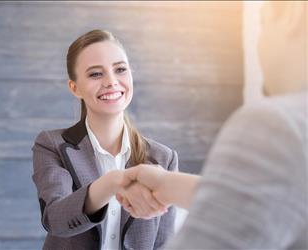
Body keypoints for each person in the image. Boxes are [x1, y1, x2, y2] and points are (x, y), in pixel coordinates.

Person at [119, 1, 307, 249]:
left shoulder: (277, 126)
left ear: (292, 12)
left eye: (263, 23)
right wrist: (167, 185)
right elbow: (265, 200)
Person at [31, 29, 178, 250]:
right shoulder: (52, 145)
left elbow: (164, 245)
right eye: (95, 74)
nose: (111, 81)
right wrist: (114, 182)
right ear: (75, 88)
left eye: (120, 69)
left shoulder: (163, 158)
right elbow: (56, 219)